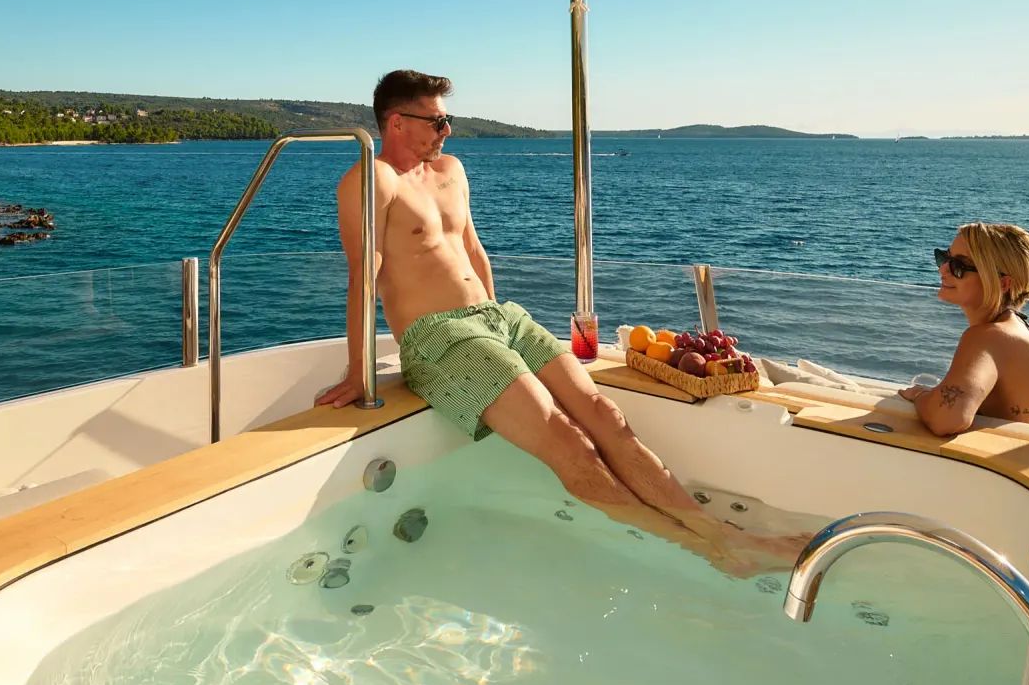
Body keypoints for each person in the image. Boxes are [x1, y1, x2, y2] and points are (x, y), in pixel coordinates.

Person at [315, 70, 800, 574]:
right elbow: (362, 278)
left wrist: (497, 318)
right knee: (569, 442)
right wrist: (360, 372)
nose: (448, 130)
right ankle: (712, 553)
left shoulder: (450, 171)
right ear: (396, 122)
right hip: (439, 336)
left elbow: (473, 249)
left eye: (447, 118)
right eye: (437, 120)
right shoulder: (373, 180)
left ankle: (721, 534)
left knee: (605, 415)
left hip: (498, 319)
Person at [899, 222, 1029, 437]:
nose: (943, 269)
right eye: (944, 258)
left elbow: (946, 419)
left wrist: (919, 395)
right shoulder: (1021, 328)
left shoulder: (990, 336)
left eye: (959, 266)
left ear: (1003, 283)